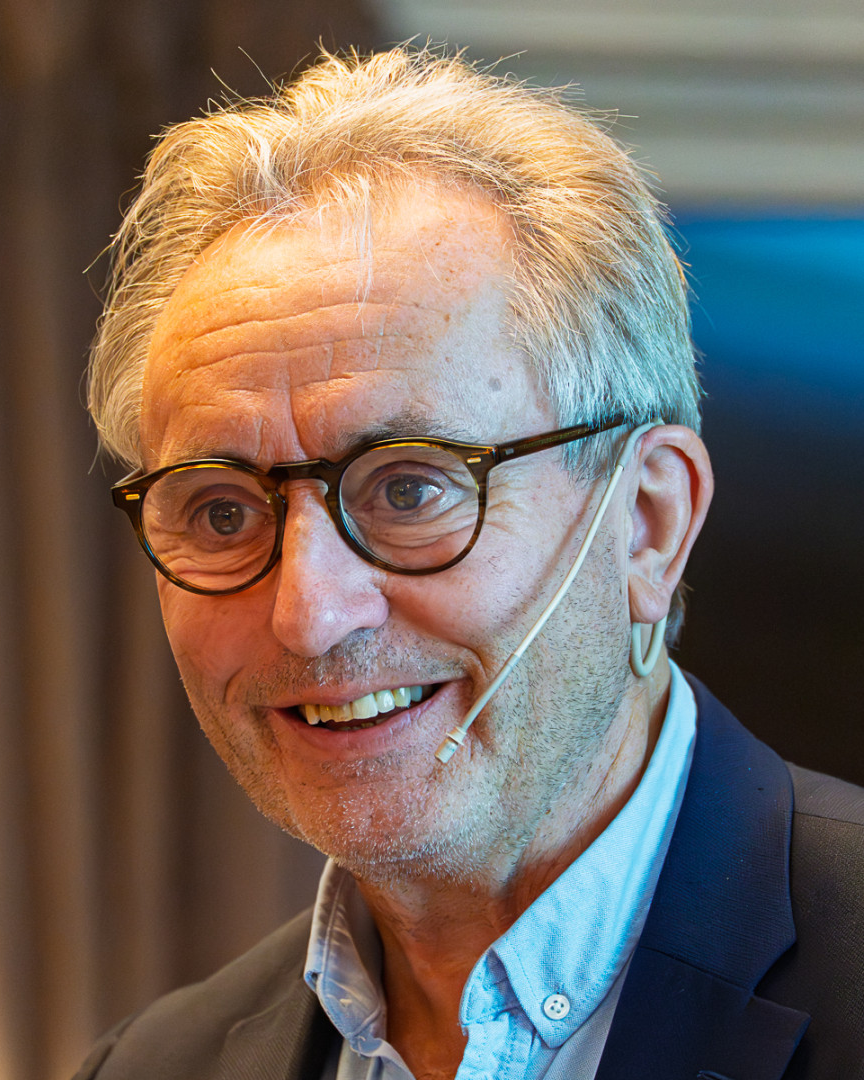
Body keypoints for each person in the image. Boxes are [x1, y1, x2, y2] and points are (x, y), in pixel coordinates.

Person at [74, 46, 864, 1080]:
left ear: (646, 523)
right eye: (221, 511)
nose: (307, 613)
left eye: (409, 489)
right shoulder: (148, 1067)